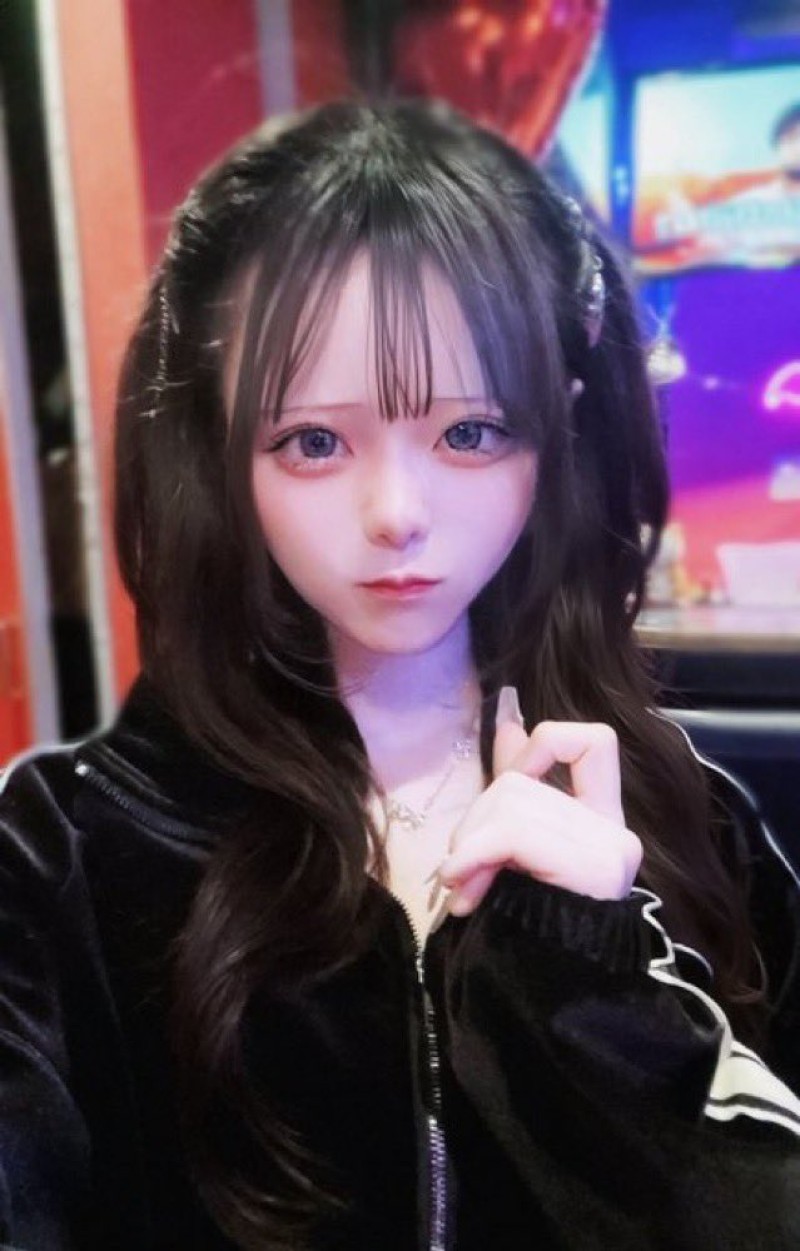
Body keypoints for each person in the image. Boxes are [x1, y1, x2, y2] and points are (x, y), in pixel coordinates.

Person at [1, 99, 800, 1251]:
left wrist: (597, 1000)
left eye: (469, 432)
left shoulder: (691, 824)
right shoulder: (64, 852)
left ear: (560, 431)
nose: (396, 514)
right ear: (221, 454)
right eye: (312, 442)